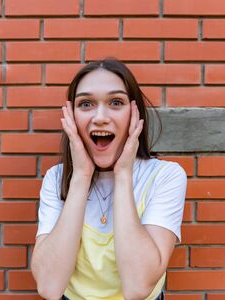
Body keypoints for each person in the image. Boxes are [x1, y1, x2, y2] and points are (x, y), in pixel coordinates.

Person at [31, 58, 187, 300]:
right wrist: (81, 177)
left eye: (116, 102)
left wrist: (123, 175)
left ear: (135, 115)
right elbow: (50, 287)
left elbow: (138, 287)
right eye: (86, 104)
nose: (100, 117)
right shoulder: (56, 179)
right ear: (71, 117)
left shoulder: (165, 176)